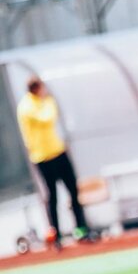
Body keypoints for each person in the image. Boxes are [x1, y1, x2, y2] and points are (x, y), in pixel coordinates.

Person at [17, 76, 92, 249]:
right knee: (52, 196)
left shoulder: (42, 102)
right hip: (42, 157)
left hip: (58, 152)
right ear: (37, 88)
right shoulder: (27, 106)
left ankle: (81, 229)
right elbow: (47, 118)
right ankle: (56, 235)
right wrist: (50, 101)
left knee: (73, 189)